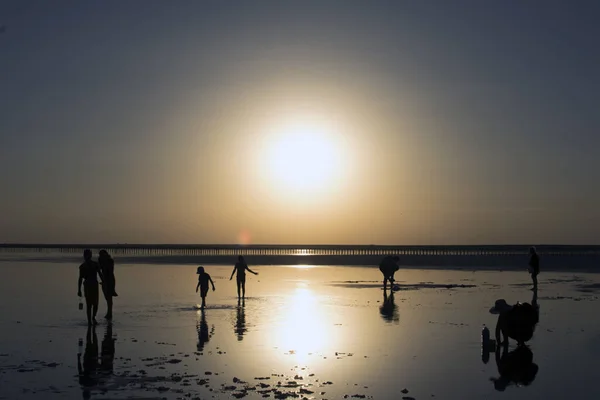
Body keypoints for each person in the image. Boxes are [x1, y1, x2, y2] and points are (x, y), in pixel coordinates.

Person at [78, 249, 104, 326]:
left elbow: (100, 274)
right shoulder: (82, 266)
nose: (87, 257)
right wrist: (79, 290)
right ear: (84, 256)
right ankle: (89, 321)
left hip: (94, 284)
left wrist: (104, 282)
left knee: (95, 304)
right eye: (86, 255)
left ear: (91, 255)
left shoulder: (95, 264)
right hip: (87, 285)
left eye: (89, 255)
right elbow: (80, 278)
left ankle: (93, 317)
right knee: (89, 304)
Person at [98, 250, 117, 320]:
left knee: (109, 297)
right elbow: (99, 269)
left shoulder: (110, 261)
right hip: (104, 280)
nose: (101, 256)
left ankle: (109, 313)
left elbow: (110, 271)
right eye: (100, 255)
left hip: (110, 280)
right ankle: (109, 312)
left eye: (102, 255)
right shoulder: (100, 260)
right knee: (106, 297)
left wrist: (106, 281)